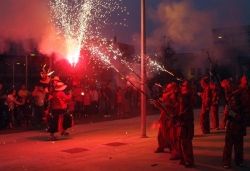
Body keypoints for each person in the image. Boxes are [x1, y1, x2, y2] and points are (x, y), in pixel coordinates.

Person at [222, 95, 247, 169]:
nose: (233, 102)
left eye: (234, 100)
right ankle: (226, 162)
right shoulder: (230, 107)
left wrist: (234, 114)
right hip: (230, 129)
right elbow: (226, 117)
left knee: (238, 147)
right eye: (232, 100)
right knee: (227, 147)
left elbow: (243, 118)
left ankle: (239, 161)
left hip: (239, 129)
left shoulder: (243, 108)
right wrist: (227, 111)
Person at [177, 80, 195, 168]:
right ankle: (183, 159)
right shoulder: (184, 99)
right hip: (182, 125)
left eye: (183, 86)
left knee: (186, 143)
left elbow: (186, 114)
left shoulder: (187, 99)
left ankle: (189, 161)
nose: (181, 87)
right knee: (180, 142)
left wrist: (177, 117)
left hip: (186, 126)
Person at [154, 83, 172, 153]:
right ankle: (161, 147)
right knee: (160, 134)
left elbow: (173, 106)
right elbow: (161, 106)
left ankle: (172, 148)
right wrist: (157, 103)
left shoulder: (172, 96)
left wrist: (165, 105)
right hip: (163, 117)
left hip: (168, 118)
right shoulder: (166, 95)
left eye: (167, 88)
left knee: (167, 134)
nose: (165, 89)